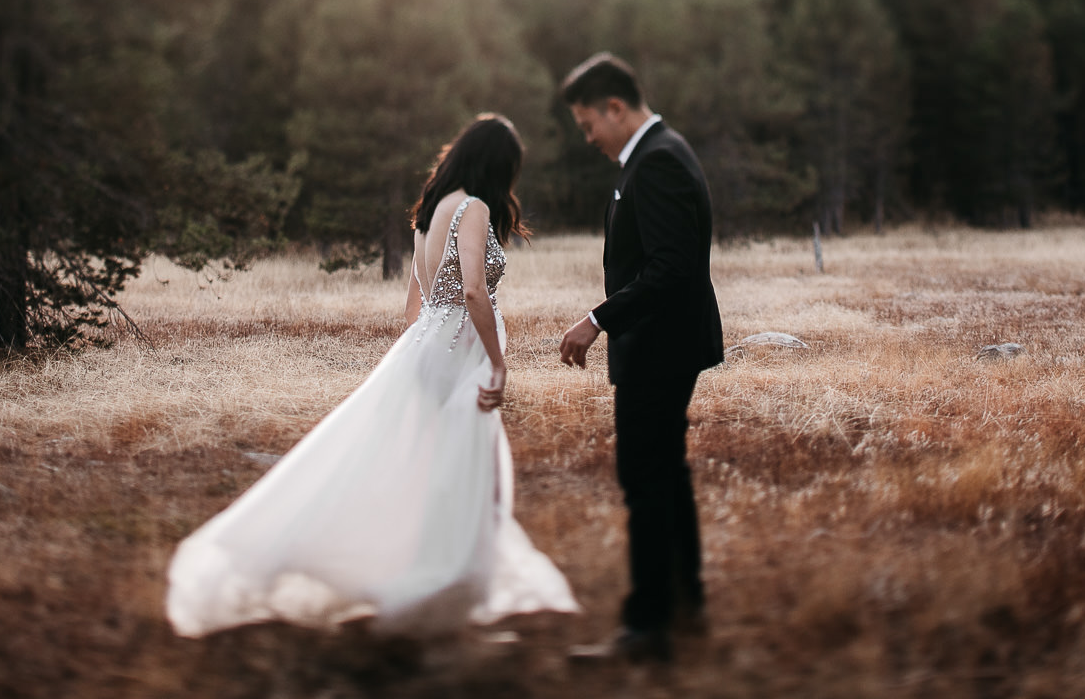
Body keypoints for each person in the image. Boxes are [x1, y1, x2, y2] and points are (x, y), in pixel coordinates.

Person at [166, 114, 579, 637]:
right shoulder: (472, 208)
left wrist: (421, 352)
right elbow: (474, 290)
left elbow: (416, 298)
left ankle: (443, 585)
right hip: (458, 352)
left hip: (430, 346)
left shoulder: (430, 212)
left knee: (430, 468)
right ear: (497, 165)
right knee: (464, 474)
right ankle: (444, 593)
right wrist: (495, 362)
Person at [557, 53, 724, 662]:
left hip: (659, 348)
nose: (588, 138)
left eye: (588, 124)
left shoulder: (656, 163)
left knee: (646, 479)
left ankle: (650, 627)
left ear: (616, 108)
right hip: (664, 344)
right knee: (666, 475)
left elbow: (671, 270)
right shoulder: (659, 154)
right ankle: (685, 606)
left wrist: (598, 319)